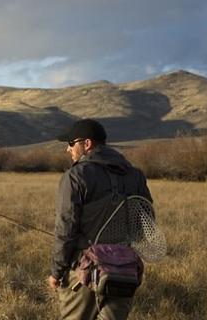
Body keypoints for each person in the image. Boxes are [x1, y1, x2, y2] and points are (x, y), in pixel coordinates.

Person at [47, 118, 153, 320]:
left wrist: (56, 272)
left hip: (84, 274)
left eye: (71, 144)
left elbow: (65, 231)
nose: (68, 150)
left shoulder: (75, 176)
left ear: (86, 144)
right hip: (124, 274)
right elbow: (146, 223)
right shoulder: (136, 176)